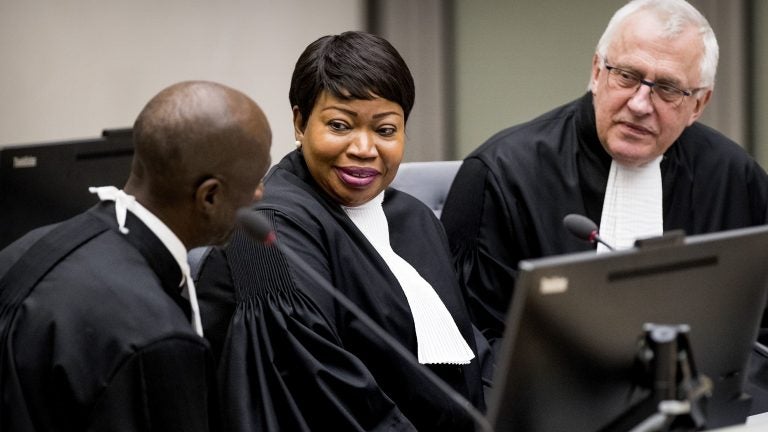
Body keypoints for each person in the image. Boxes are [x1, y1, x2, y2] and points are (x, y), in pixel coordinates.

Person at [195, 31, 488, 431]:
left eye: (386, 130)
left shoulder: (416, 219)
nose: (364, 148)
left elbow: (468, 349)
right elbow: (315, 386)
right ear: (299, 123)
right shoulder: (268, 230)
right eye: (340, 125)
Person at [441, 0, 768, 353]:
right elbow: (471, 343)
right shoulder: (501, 174)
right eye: (627, 76)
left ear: (699, 105)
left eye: (668, 89)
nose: (641, 104)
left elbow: (759, 334)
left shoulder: (735, 178)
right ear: (597, 72)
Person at [0, 80, 272, 431]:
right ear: (210, 197)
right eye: (254, 182)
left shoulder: (25, 248)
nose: (261, 194)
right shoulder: (156, 339)